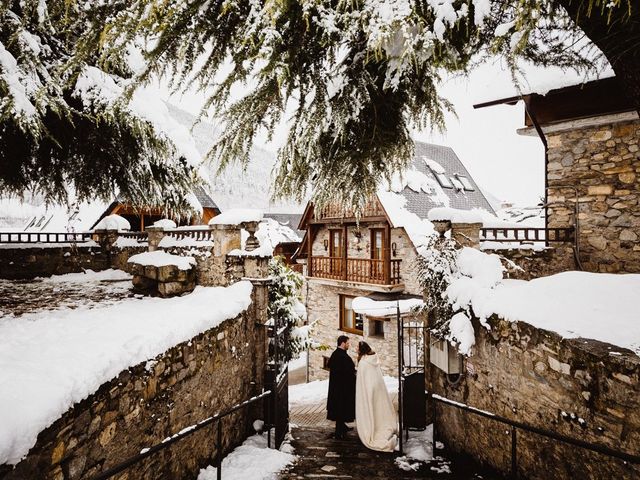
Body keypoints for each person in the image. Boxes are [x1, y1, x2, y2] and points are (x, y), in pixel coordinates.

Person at [355, 341, 398, 452]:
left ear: (362, 350)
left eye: (357, 347)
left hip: (369, 389)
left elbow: (362, 380)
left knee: (370, 408)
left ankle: (373, 428)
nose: (356, 349)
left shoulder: (364, 362)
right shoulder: (373, 358)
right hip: (377, 388)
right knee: (378, 409)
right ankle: (380, 425)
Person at [326, 335, 356, 439]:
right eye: (347, 343)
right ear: (343, 343)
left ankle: (342, 426)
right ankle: (339, 431)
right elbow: (348, 371)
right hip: (341, 388)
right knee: (341, 408)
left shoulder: (336, 354)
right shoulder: (342, 356)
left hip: (338, 387)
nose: (349, 345)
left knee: (339, 407)